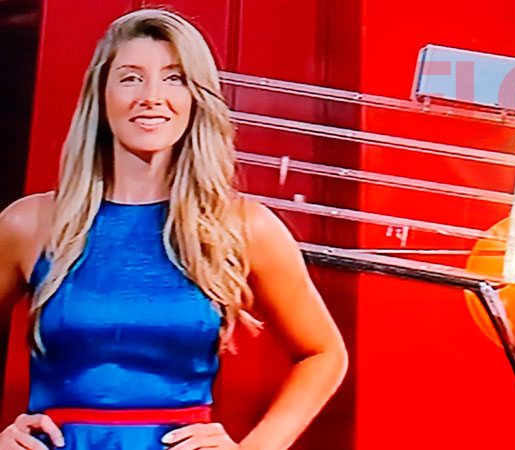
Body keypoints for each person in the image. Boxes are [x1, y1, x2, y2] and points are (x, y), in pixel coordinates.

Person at [0, 8, 348, 450]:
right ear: (101, 95)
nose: (151, 97)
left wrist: (257, 447)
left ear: (196, 97)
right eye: (131, 78)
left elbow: (323, 354)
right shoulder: (29, 223)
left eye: (174, 78)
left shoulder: (243, 226)